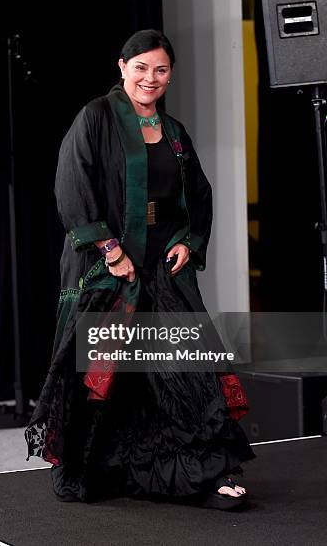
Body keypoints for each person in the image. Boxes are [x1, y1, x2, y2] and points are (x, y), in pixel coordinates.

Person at [25, 29, 256, 509]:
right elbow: (71, 186)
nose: (151, 78)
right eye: (142, 67)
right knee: (106, 372)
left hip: (160, 264)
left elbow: (199, 194)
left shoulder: (173, 133)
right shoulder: (96, 118)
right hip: (108, 266)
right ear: (122, 66)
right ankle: (98, 469)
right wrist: (111, 249)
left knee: (185, 369)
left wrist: (187, 241)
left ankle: (206, 474)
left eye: (162, 69)